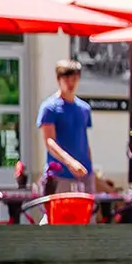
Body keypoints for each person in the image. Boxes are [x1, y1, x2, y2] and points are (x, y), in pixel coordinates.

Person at [38, 60, 93, 194]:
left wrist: (92, 171)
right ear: (59, 80)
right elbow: (49, 142)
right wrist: (70, 162)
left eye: (74, 79)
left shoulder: (84, 108)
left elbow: (84, 142)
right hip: (59, 176)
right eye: (66, 79)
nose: (70, 83)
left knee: (87, 214)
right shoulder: (49, 107)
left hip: (85, 175)